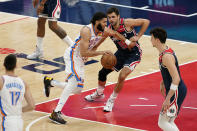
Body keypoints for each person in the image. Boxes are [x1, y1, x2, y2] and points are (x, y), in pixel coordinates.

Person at [43, 12, 115, 124]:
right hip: (72, 56)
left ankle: (50, 82)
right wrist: (101, 53)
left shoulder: (102, 31)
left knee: (77, 90)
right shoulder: (86, 31)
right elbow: (83, 52)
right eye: (104, 22)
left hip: (80, 59)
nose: (106, 24)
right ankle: (56, 112)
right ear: (97, 22)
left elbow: (95, 44)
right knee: (73, 82)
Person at [84, 7, 150, 112]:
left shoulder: (127, 23)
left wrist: (138, 36)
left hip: (134, 53)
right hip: (121, 53)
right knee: (102, 72)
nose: (111, 19)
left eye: (113, 17)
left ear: (118, 16)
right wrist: (88, 53)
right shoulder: (108, 30)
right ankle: (99, 94)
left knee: (122, 75)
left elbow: (146, 22)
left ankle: (111, 100)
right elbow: (97, 45)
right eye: (109, 17)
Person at [150, 27, 187, 131]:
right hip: (176, 90)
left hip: (176, 92)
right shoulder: (164, 51)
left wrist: (167, 99)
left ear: (157, 40)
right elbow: (171, 72)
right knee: (169, 121)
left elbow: (176, 78)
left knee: (162, 122)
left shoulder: (166, 56)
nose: (150, 40)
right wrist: (163, 82)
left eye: (152, 38)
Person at [0, 54, 35, 131]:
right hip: (19, 121)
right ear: (16, 65)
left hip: (7, 121)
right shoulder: (23, 83)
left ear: (3, 65)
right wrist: (17, 110)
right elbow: (32, 106)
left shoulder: (1, 80)